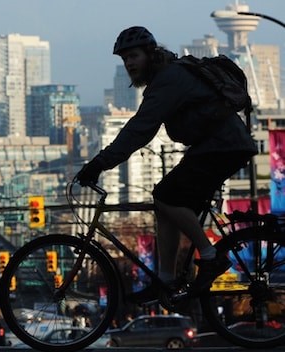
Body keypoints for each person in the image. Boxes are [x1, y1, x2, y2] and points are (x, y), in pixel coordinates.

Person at [75, 26, 257, 301]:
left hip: (223, 146)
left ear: (150, 53)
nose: (129, 63)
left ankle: (210, 257)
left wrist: (99, 164)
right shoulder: (167, 75)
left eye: (134, 56)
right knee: (164, 206)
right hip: (215, 146)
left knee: (165, 196)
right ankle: (167, 279)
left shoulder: (169, 79)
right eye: (125, 60)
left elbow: (140, 129)